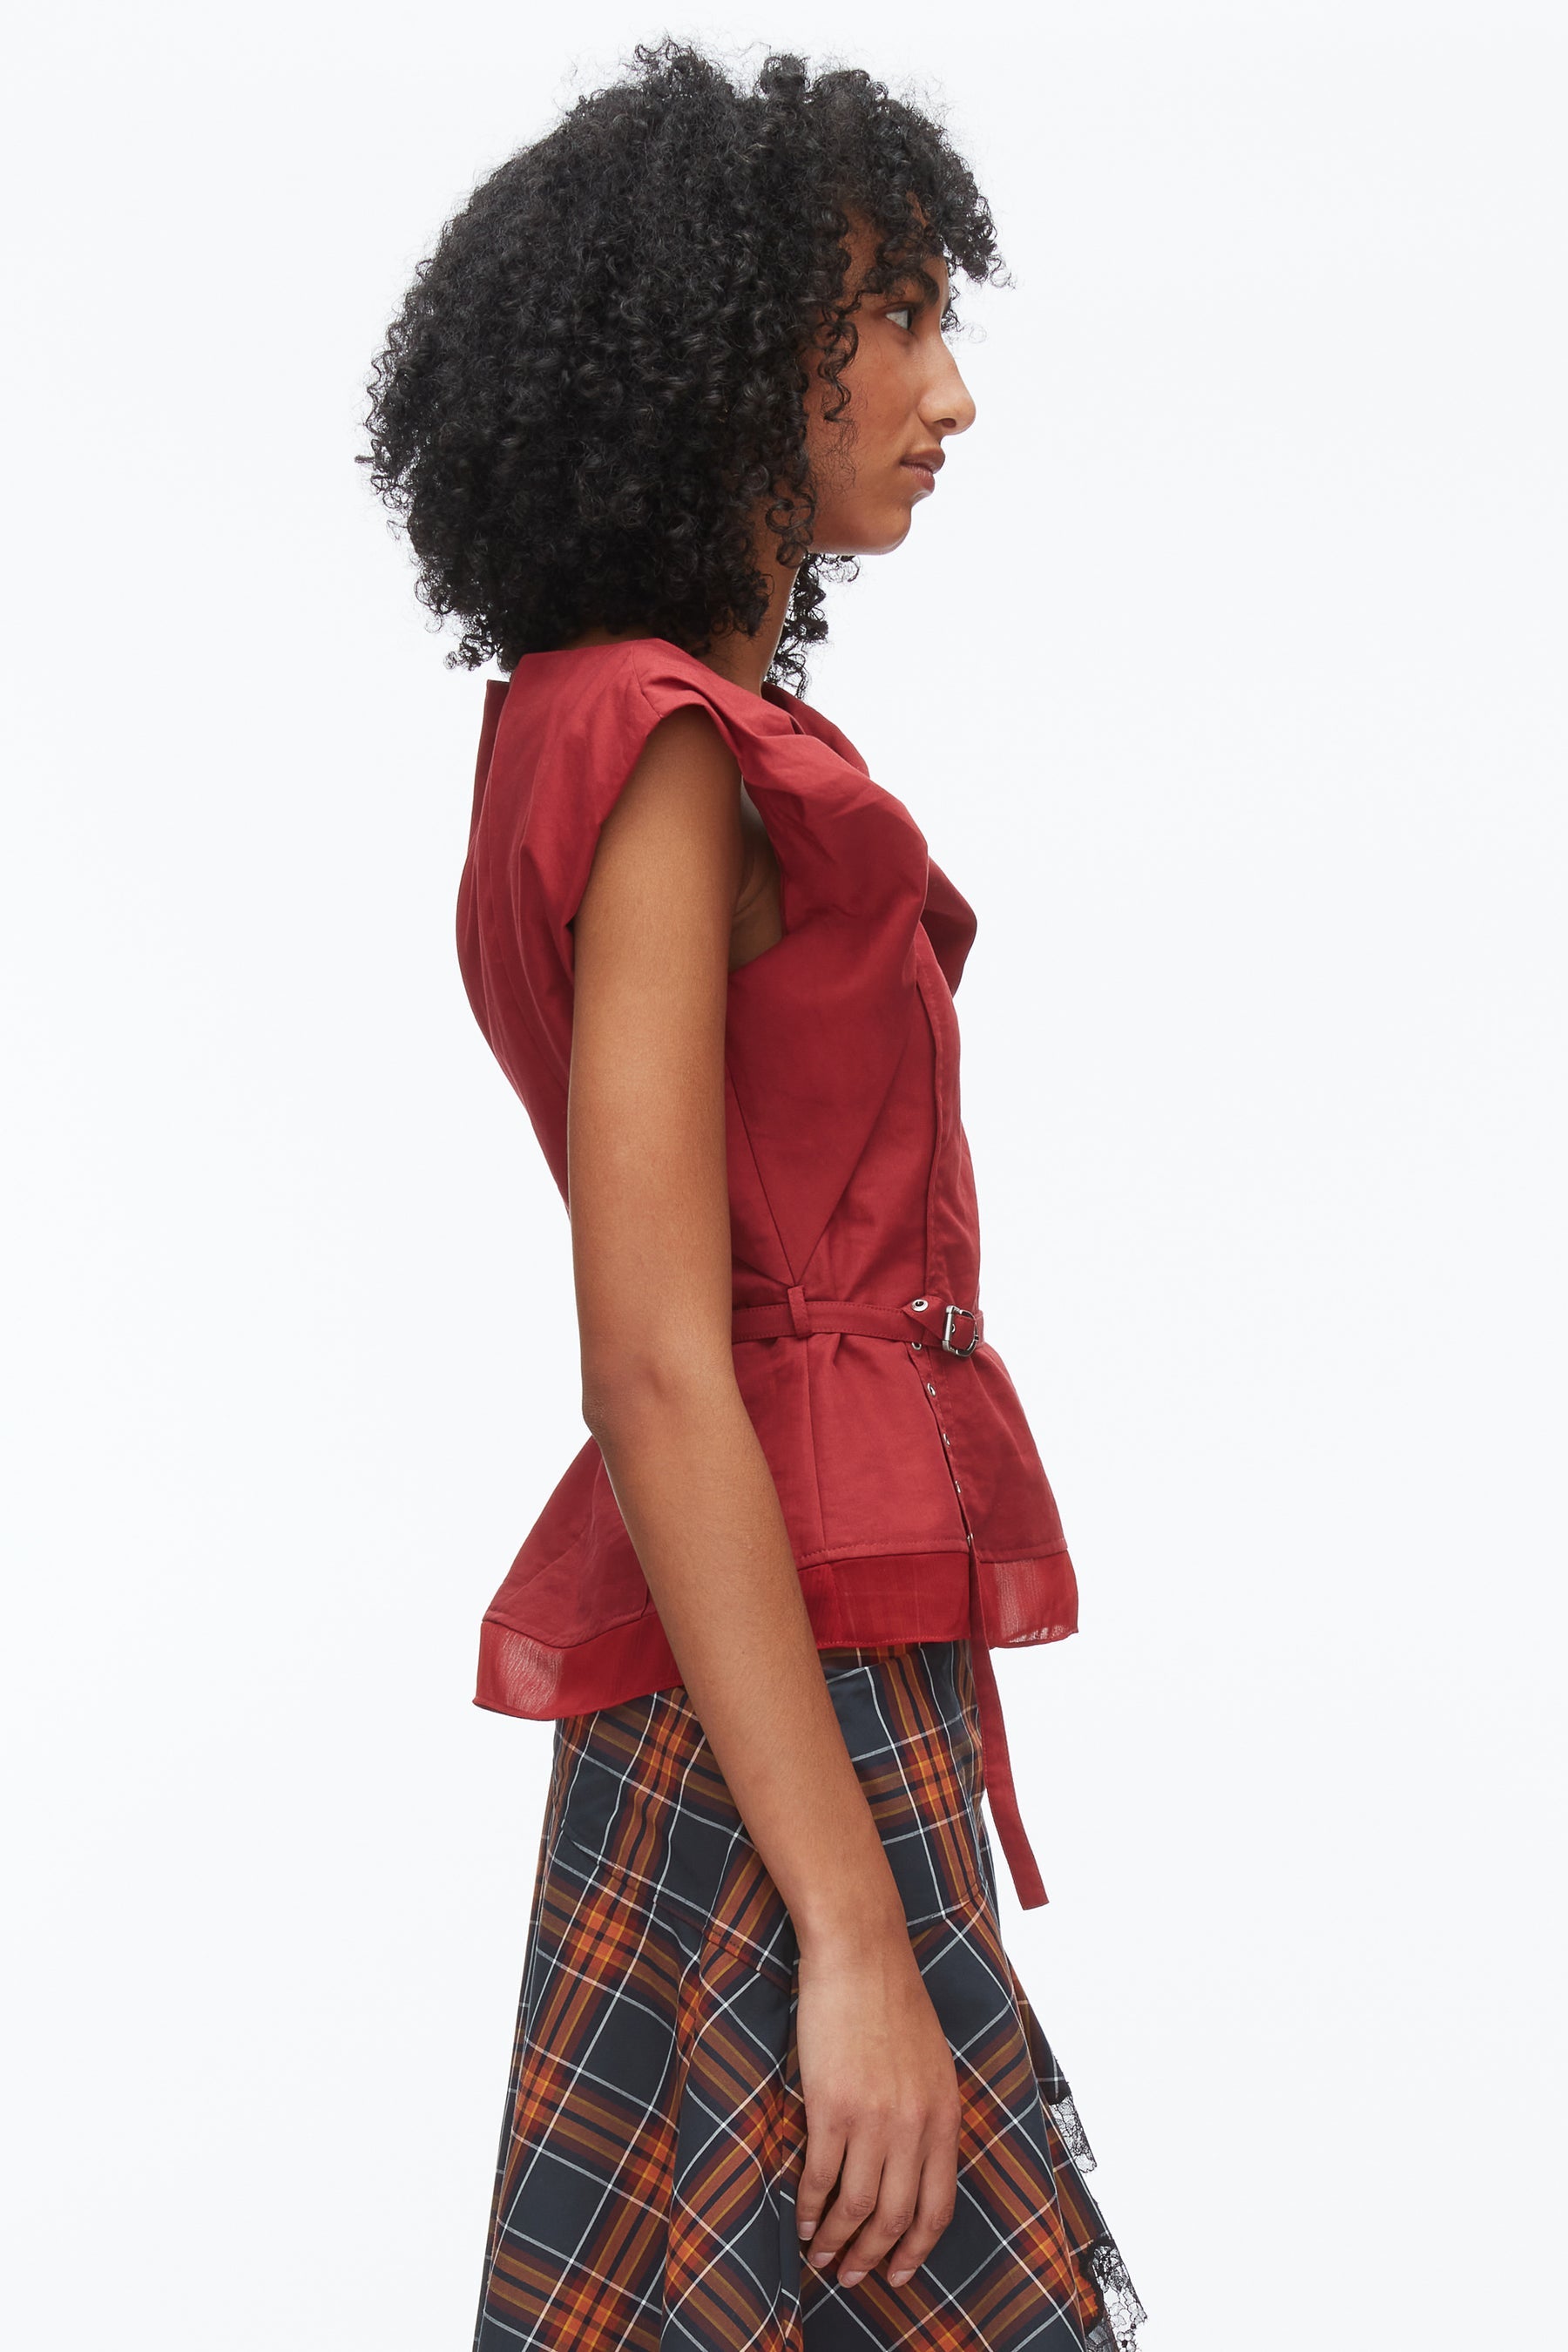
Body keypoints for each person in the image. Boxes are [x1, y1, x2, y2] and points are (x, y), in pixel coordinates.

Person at [363, 39, 1147, 2352]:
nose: (948, 392)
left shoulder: (620, 732)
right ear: (719, 364)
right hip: (778, 1671)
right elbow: (651, 1358)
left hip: (776, 1649)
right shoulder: (663, 758)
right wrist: (855, 1933)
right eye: (890, 321)